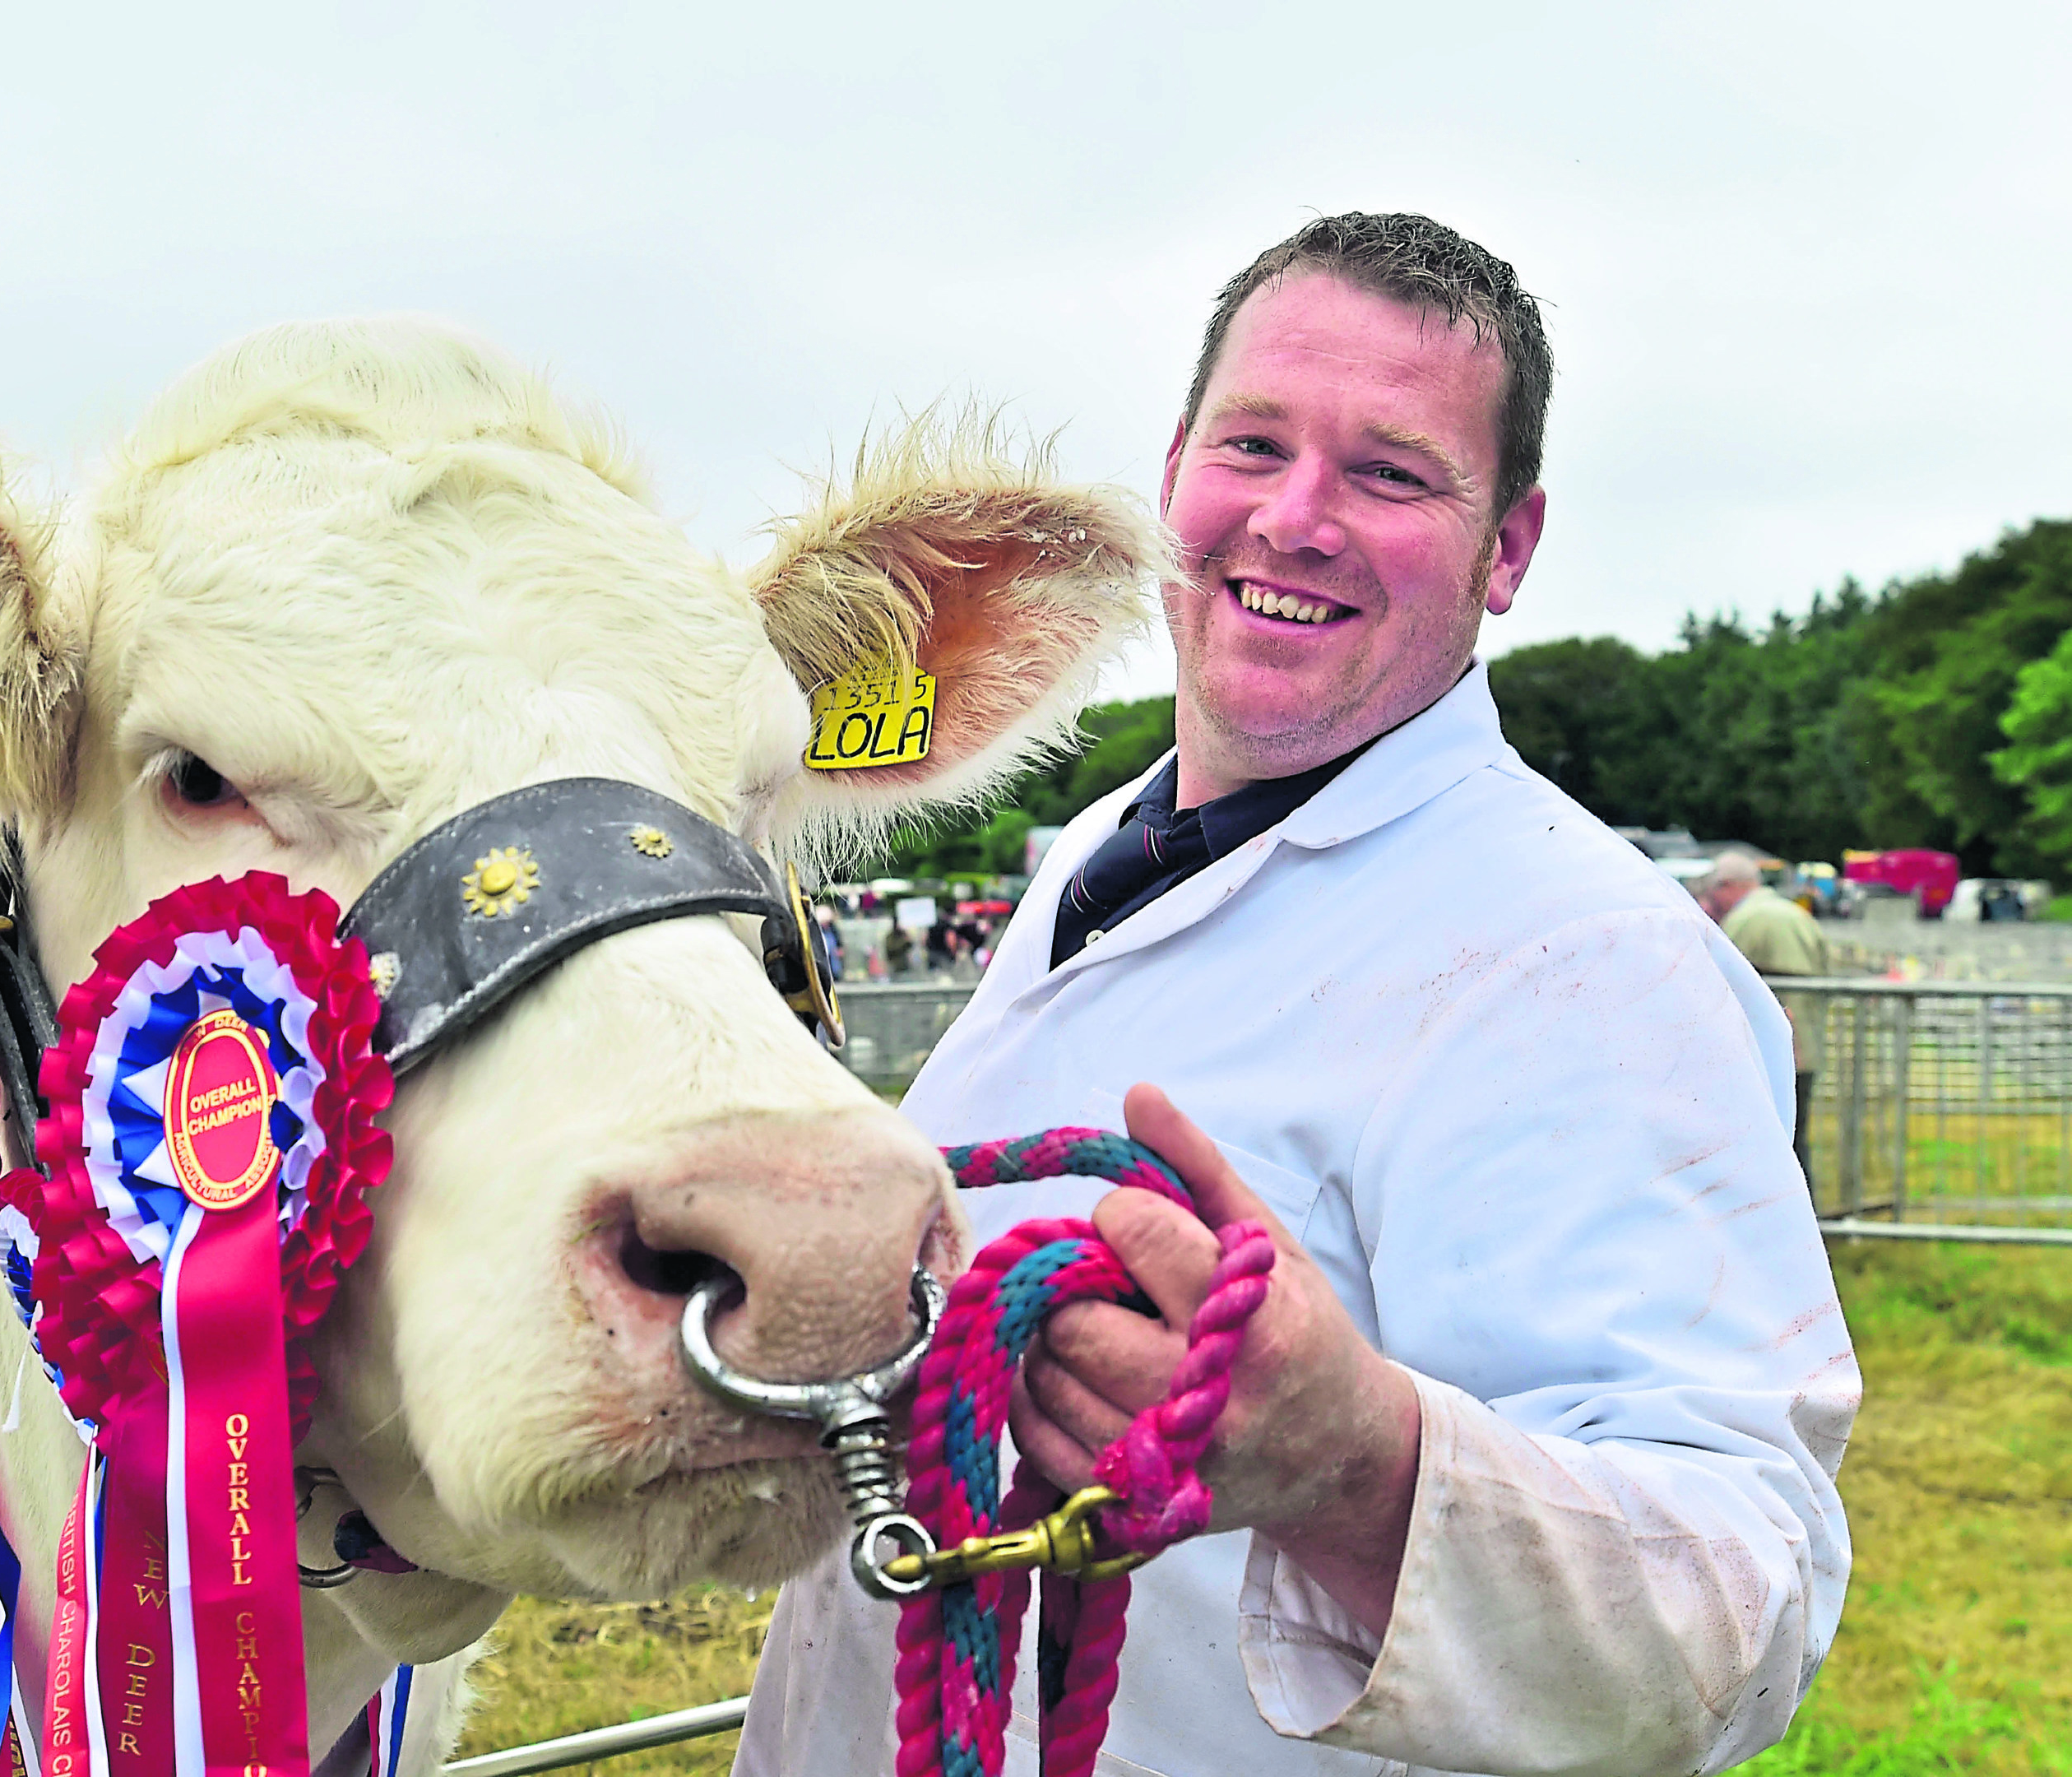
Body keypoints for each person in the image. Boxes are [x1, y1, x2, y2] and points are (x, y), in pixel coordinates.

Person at [735, 214, 1855, 1776]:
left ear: (1507, 549)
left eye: (1393, 475)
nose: (1296, 518)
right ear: (1177, 465)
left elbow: (1744, 1603)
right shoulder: (1087, 857)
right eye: (1253, 445)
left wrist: (1353, 1466)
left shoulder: (1591, 959)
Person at [1702, 851, 1831, 1180]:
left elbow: (1717, 978)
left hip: (1768, 1052)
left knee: (1769, 1143)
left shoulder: (1746, 920)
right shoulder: (1797, 915)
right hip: (1806, 1045)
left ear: (1728, 886)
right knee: (1796, 1140)